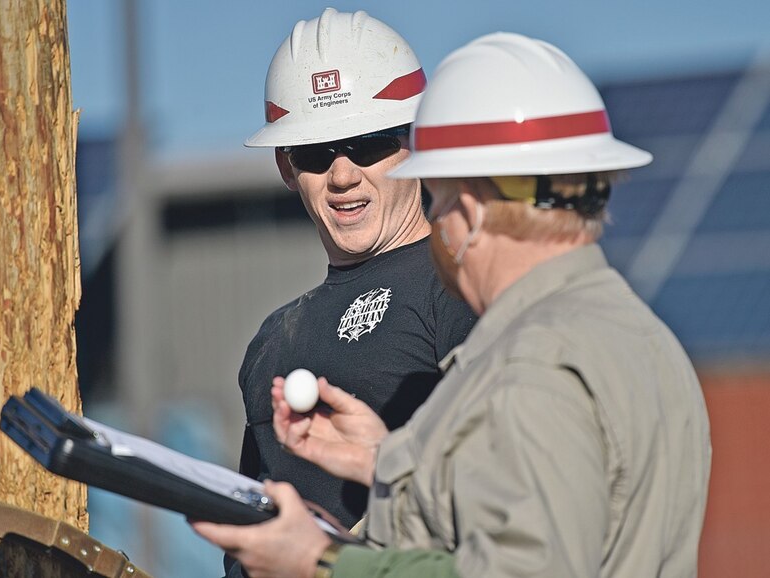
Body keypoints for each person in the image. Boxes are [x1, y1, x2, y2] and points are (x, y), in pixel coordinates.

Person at [195, 32, 712, 578]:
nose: (344, 175)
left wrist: (324, 563)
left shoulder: (532, 361)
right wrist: (387, 464)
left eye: (436, 195)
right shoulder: (643, 338)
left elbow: (520, 566)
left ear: (470, 211)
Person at [224, 8, 477, 575]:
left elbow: (493, 498)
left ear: (413, 143)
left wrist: (331, 560)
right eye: (315, 153)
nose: (342, 176)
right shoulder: (270, 342)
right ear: (286, 167)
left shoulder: (463, 288)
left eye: (366, 145)